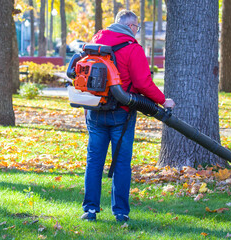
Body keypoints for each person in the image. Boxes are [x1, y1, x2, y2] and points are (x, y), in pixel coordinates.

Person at [81, 10, 175, 222]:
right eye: (137, 28)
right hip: (121, 114)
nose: (137, 32)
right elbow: (143, 83)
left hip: (95, 110)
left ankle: (90, 210)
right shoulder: (132, 48)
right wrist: (163, 101)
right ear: (131, 27)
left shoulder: (96, 41)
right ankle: (121, 213)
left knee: (94, 161)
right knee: (122, 163)